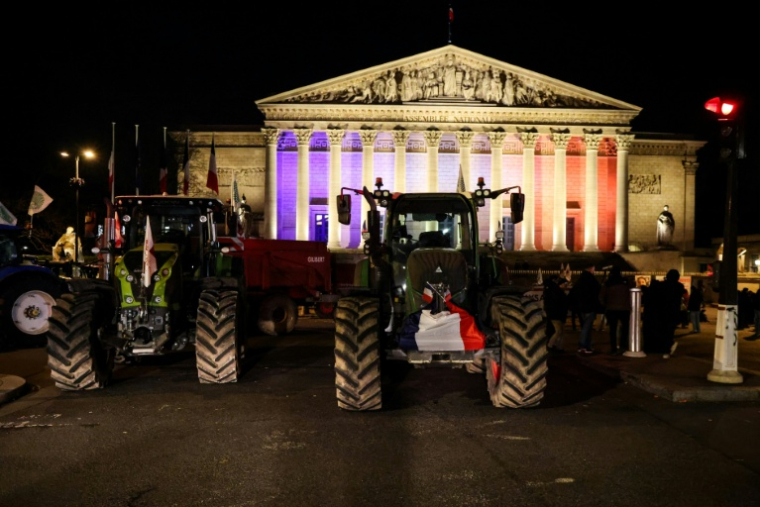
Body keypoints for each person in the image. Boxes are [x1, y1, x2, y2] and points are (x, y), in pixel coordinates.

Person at [642, 269, 685, 358]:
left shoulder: (662, 286)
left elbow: (653, 293)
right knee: (669, 332)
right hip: (673, 313)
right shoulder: (679, 286)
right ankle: (666, 350)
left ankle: (663, 349)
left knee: (662, 331)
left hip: (661, 313)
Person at [569, 264, 601, 355]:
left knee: (586, 326)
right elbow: (597, 291)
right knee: (587, 327)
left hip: (581, 307)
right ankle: (583, 345)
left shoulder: (580, 280)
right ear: (592, 268)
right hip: (589, 307)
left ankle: (587, 345)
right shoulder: (591, 280)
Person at [600, 267, 631, 354]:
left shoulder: (608, 283)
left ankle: (613, 347)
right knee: (625, 328)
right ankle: (623, 346)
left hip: (611, 309)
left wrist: (605, 305)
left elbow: (601, 297)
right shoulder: (626, 282)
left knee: (612, 329)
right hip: (625, 309)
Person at [543, 274, 569, 354]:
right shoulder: (556, 290)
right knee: (558, 331)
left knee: (558, 331)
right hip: (556, 314)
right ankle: (551, 346)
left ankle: (555, 346)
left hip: (554, 313)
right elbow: (560, 303)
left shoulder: (550, 289)